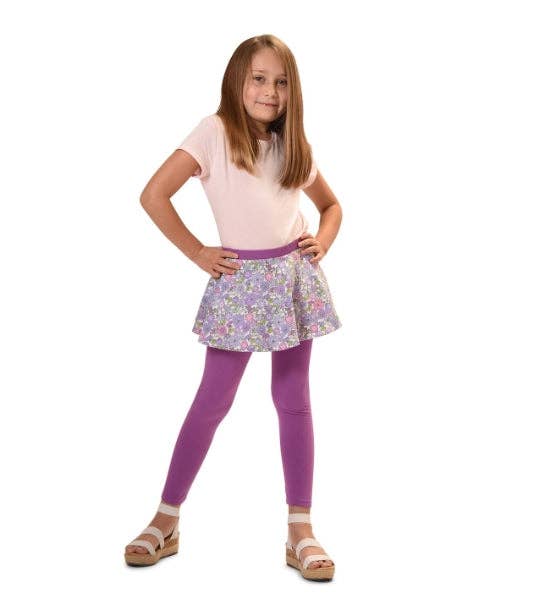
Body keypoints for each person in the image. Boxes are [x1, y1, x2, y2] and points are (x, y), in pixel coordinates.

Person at [124, 34, 342, 581]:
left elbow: (331, 206)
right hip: (240, 283)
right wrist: (198, 251)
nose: (270, 91)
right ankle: (166, 517)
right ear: (237, 81)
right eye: (259, 79)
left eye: (281, 82)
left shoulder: (292, 143)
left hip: (291, 280)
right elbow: (153, 194)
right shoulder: (214, 132)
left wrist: (322, 240)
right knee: (212, 400)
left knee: (292, 399)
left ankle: (300, 528)